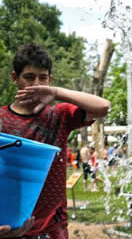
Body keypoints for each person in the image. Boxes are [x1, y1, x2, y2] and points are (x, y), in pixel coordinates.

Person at [0, 43, 110, 238]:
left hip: (53, 229)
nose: (37, 85)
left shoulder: (60, 115)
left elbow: (103, 107)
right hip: (8, 229)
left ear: (50, 80)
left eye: (43, 78)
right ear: (15, 78)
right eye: (29, 77)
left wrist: (57, 93)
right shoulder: (1, 119)